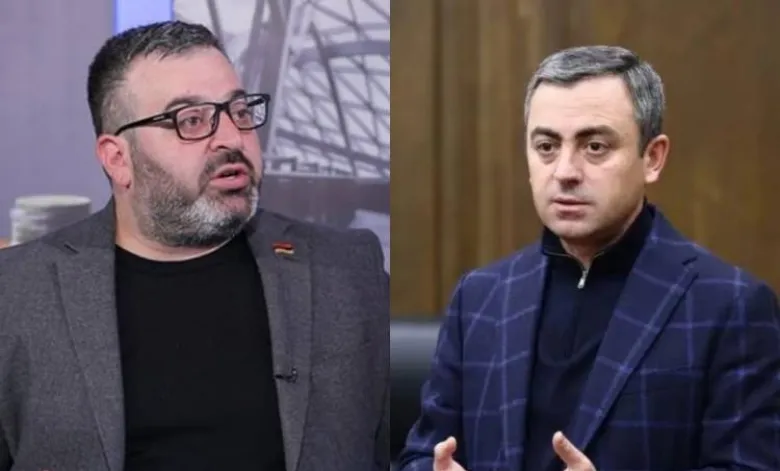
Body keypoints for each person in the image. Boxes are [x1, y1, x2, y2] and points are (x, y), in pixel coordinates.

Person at [0, 20, 388, 471]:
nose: (231, 139)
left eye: (239, 111)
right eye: (191, 120)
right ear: (117, 159)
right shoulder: (17, 293)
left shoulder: (347, 271)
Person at [397, 45, 780, 471]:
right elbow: (420, 453)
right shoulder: (480, 297)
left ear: (652, 158)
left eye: (594, 146)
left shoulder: (730, 306)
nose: (564, 171)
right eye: (546, 146)